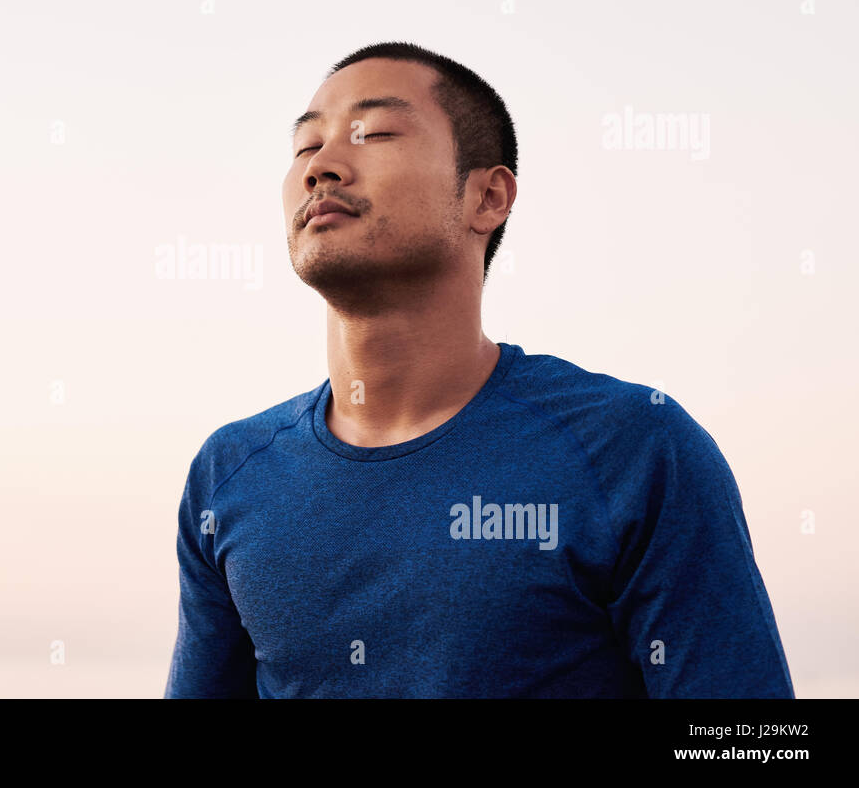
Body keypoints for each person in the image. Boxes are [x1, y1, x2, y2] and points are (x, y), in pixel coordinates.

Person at [163, 41, 794, 698]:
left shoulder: (633, 450)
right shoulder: (229, 474)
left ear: (488, 196)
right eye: (304, 146)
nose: (321, 166)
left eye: (373, 132)